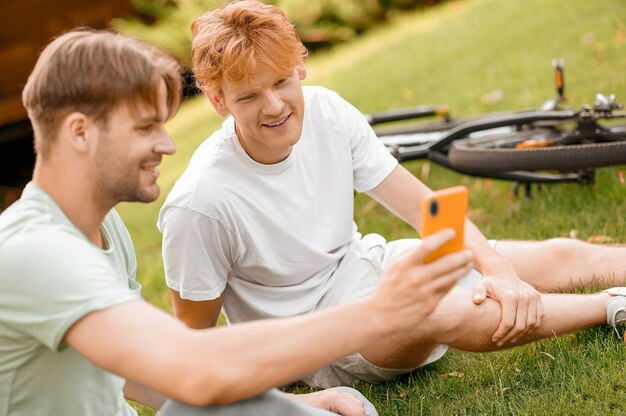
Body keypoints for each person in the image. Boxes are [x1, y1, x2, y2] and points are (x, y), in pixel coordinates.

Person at [0, 28, 476, 416]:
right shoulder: (36, 252)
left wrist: (294, 406)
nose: (168, 145)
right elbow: (191, 363)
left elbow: (147, 375)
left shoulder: (105, 230)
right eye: (147, 127)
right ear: (80, 132)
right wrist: (379, 314)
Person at [158, 0, 626, 389]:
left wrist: (497, 266)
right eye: (248, 97)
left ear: (299, 64)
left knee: (558, 254)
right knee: (448, 309)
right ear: (218, 101)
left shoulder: (327, 110)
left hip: (374, 265)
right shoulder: (201, 204)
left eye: (281, 82)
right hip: (327, 340)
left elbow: (428, 210)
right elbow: (191, 345)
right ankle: (611, 305)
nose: (275, 106)